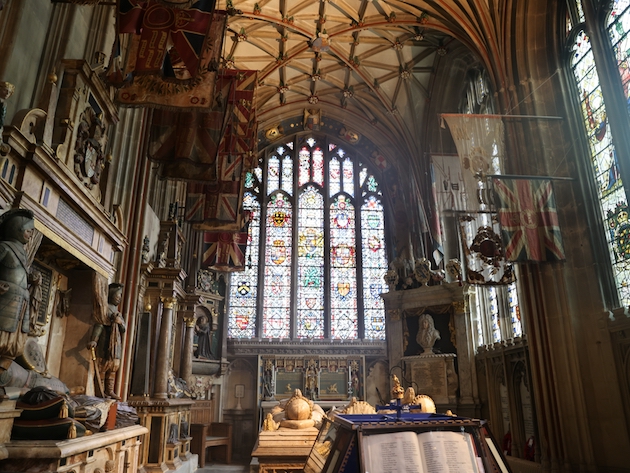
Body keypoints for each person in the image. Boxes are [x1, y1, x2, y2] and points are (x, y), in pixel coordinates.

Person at [0, 209, 35, 369]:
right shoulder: (4, 247)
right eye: (28, 230)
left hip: (20, 303)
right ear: (16, 228)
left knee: (12, 347)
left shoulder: (23, 253)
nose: (31, 235)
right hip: (6, 300)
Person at [87, 283, 125, 399]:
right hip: (105, 341)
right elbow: (99, 325)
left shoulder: (117, 311)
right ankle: (100, 390)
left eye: (120, 296)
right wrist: (94, 340)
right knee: (103, 366)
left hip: (116, 343)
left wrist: (120, 322)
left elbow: (123, 329)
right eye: (117, 295)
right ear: (111, 295)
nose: (119, 298)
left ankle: (110, 390)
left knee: (113, 367)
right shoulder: (105, 309)